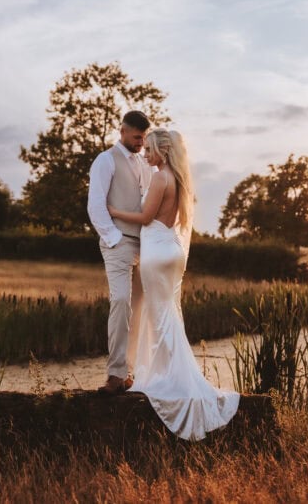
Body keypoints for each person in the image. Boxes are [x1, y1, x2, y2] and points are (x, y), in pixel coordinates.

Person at [108, 128, 239, 441]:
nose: (147, 154)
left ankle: (172, 378)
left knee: (160, 315)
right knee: (168, 313)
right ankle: (172, 373)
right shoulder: (180, 180)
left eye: (150, 149)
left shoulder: (159, 178)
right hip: (172, 251)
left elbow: (145, 216)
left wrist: (113, 211)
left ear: (162, 152)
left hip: (155, 252)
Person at [87, 110, 153, 394]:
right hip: (118, 243)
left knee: (138, 309)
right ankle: (115, 374)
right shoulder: (105, 160)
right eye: (137, 137)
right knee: (121, 302)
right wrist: (113, 238)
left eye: (143, 138)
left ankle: (130, 373)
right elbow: (96, 204)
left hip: (145, 246)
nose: (140, 143)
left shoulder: (143, 162)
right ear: (123, 131)